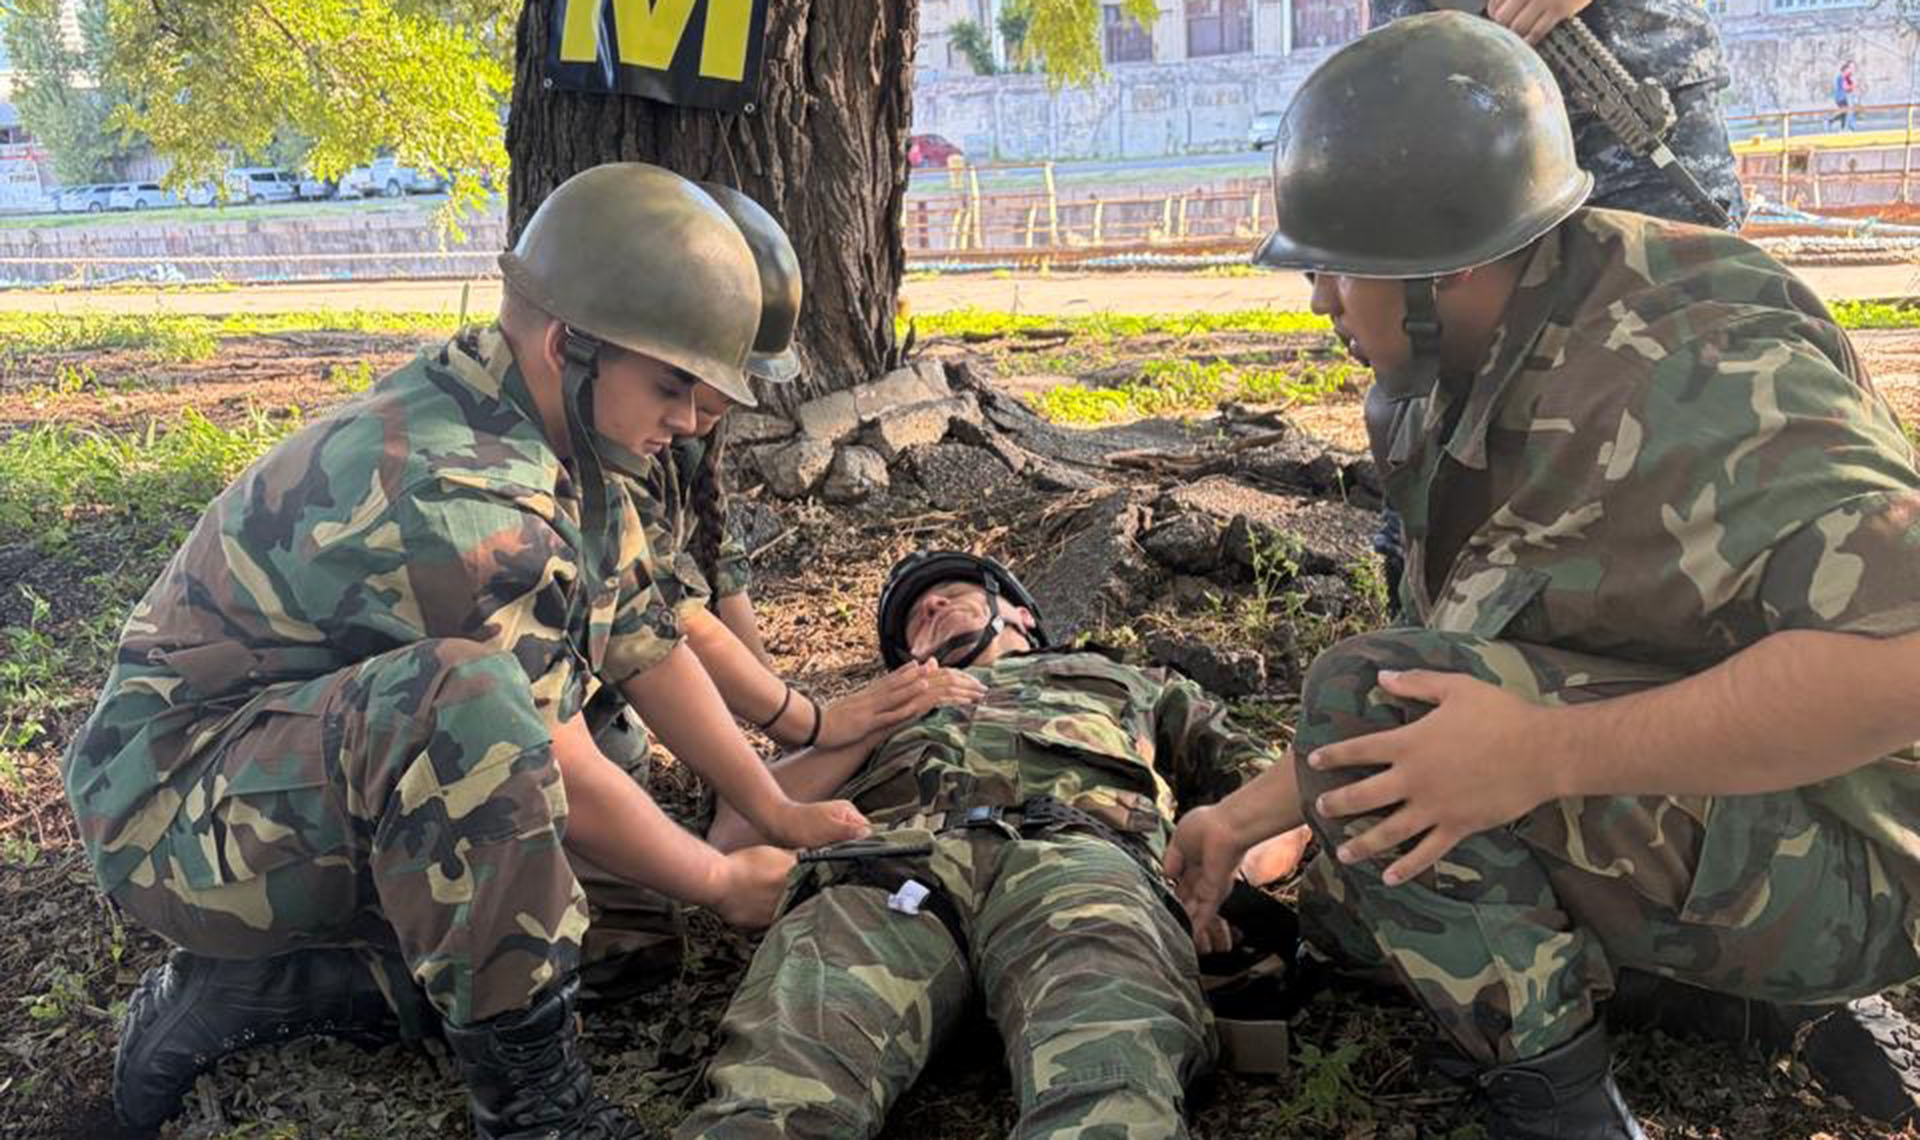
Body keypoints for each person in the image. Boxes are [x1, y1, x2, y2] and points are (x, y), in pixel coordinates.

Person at [1165, 17, 1920, 1139]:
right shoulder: (1453, 369)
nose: (1320, 303)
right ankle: (1705, 999)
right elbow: (1457, 658)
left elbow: (1907, 664)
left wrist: (1545, 754)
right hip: (1741, 800)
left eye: (1335, 269)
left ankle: (1566, 1110)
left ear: (1446, 265)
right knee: (1355, 881)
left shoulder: (1695, 366)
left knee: (1369, 721)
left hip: (1871, 852)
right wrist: (1240, 817)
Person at [63, 162, 875, 1139]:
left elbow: (645, 644)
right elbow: (541, 751)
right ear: (570, 344)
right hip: (174, 816)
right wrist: (718, 880)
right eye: (672, 385)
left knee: (619, 933)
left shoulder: (558, 430)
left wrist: (775, 810)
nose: (695, 417)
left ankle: (305, 981)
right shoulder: (460, 489)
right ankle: (536, 1112)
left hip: (297, 768)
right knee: (472, 704)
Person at [673, 550, 1286, 1139]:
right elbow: (737, 830)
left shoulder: (1128, 680)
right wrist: (877, 719)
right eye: (913, 621)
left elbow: (1272, 795)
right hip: (887, 877)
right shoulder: (868, 717)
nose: (930, 606)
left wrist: (1217, 887)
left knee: (1111, 1081)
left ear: (1019, 614)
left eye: (950, 593)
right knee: (774, 1092)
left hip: (1076, 860)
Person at [1832, 60, 1860, 131]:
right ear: (1845, 69)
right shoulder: (1841, 76)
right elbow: (1845, 87)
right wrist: (1853, 86)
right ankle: (1831, 120)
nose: (1851, 70)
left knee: (1845, 113)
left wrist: (1853, 86)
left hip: (1842, 96)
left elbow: (1850, 85)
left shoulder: (1844, 76)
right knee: (1847, 112)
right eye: (1849, 68)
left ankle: (1842, 128)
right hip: (1842, 97)